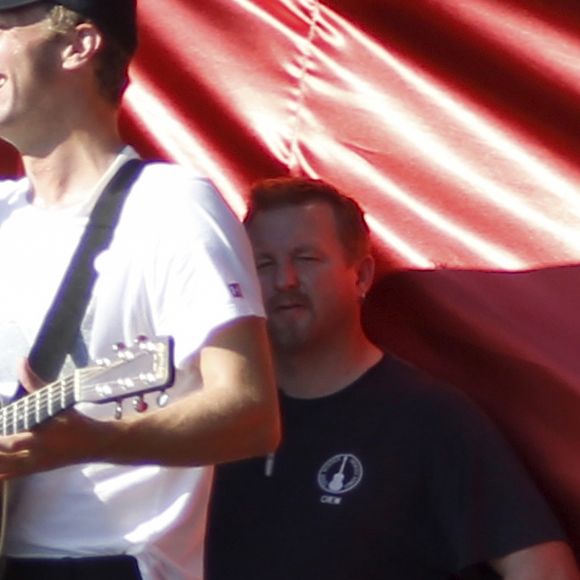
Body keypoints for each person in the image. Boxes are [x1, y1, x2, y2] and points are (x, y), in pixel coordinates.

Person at [0, 1, 280, 579]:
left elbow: (251, 413)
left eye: (3, 25)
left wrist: (101, 440)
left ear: (78, 45)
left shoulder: (172, 206)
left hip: (107, 561)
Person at [205, 176, 579, 580]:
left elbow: (545, 570)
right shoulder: (218, 421)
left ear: (361, 276)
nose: (285, 280)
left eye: (307, 258)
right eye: (264, 264)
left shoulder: (429, 420)